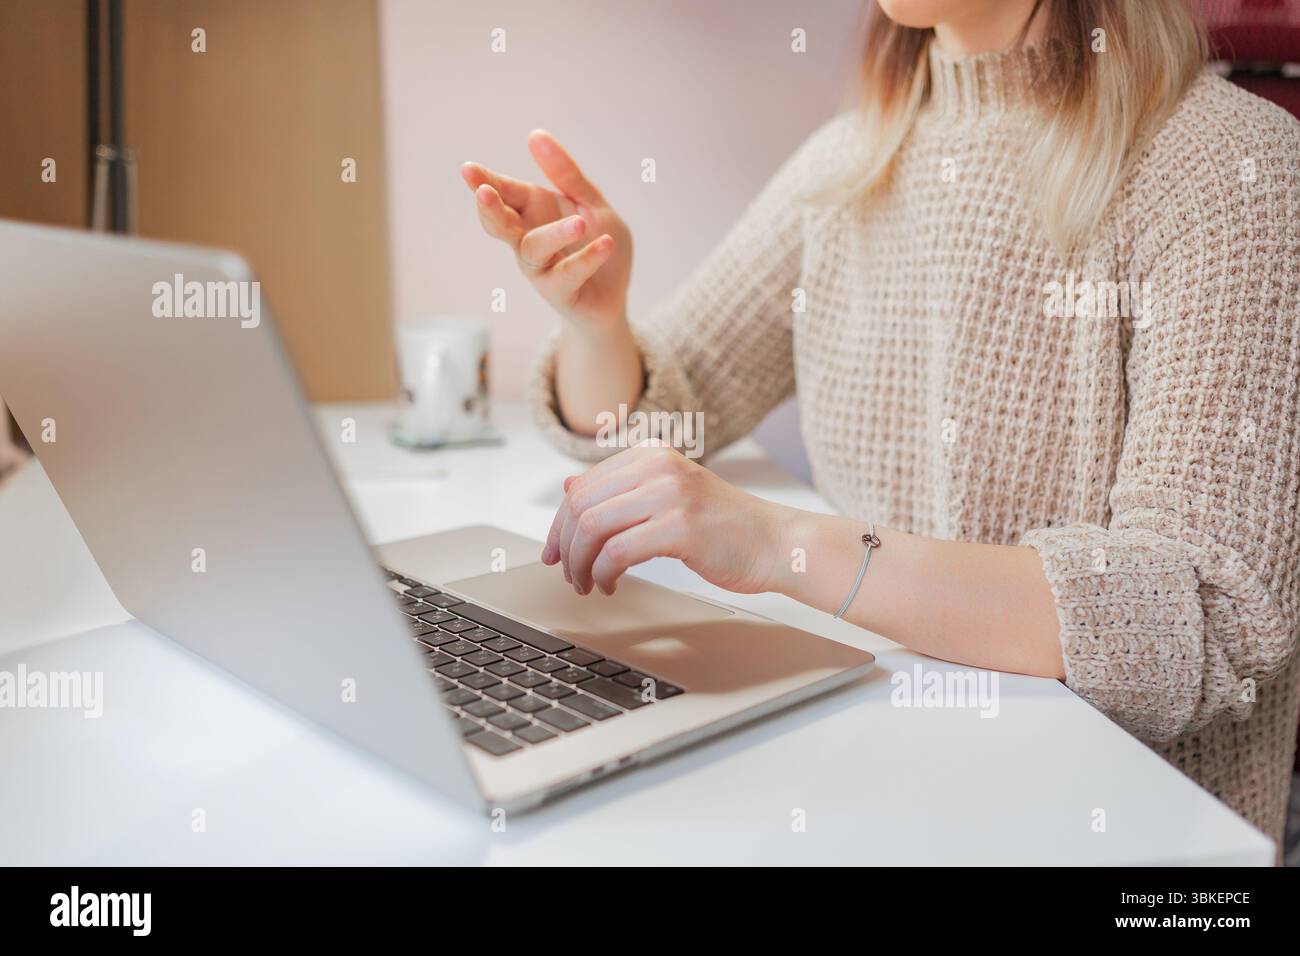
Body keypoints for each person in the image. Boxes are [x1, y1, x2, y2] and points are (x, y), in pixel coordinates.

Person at [460, 0, 1300, 852]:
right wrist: (597, 323)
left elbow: (1193, 616)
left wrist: (777, 543)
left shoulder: (1232, 168)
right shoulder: (852, 161)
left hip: (1116, 837)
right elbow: (663, 409)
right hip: (876, 779)